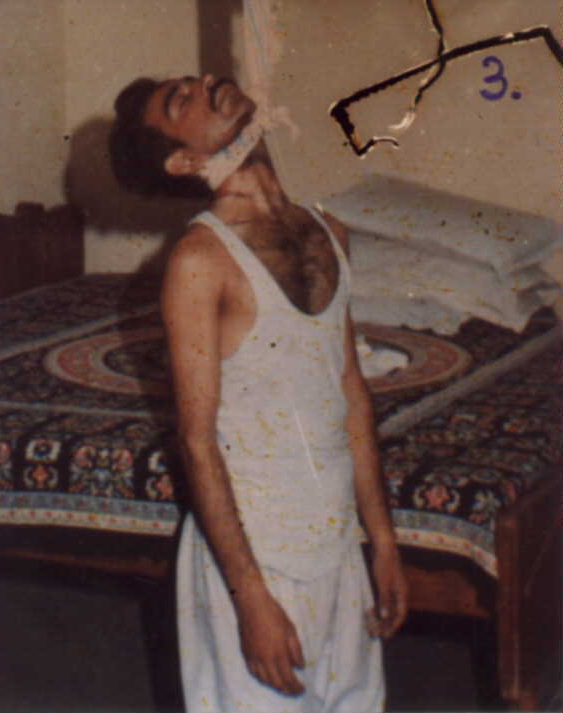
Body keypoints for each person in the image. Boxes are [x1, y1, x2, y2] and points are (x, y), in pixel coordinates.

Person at [109, 73, 408, 713]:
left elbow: (351, 391)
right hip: (255, 560)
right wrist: (250, 601)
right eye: (182, 101)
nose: (205, 83)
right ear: (184, 162)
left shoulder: (327, 232)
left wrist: (382, 542)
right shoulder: (200, 260)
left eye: (194, 80)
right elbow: (197, 442)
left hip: (336, 546)